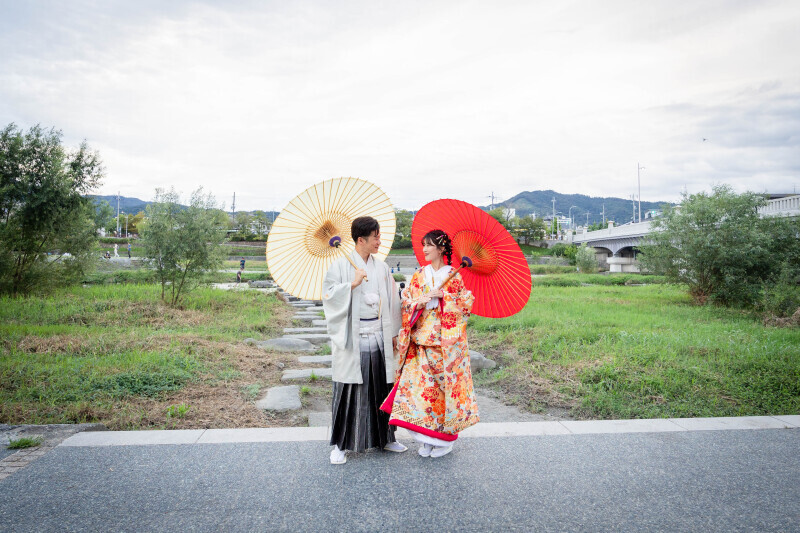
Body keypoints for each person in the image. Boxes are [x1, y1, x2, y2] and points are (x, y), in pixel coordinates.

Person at [384, 229, 479, 458]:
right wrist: (419, 302)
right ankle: (425, 439)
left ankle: (444, 442)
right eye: (423, 244)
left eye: (429, 245)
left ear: (442, 248)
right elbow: (406, 301)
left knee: (442, 394)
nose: (424, 249)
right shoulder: (419, 275)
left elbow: (465, 305)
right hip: (420, 343)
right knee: (420, 393)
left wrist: (446, 298)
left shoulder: (454, 275)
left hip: (444, 346)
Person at [322, 216, 407, 464]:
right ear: (361, 239)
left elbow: (393, 300)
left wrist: (394, 333)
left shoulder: (381, 267)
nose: (379, 241)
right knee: (350, 390)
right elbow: (328, 295)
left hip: (379, 333)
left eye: (379, 237)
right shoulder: (340, 266)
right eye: (376, 237)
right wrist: (351, 284)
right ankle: (340, 445)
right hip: (354, 336)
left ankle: (386, 437)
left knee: (381, 386)